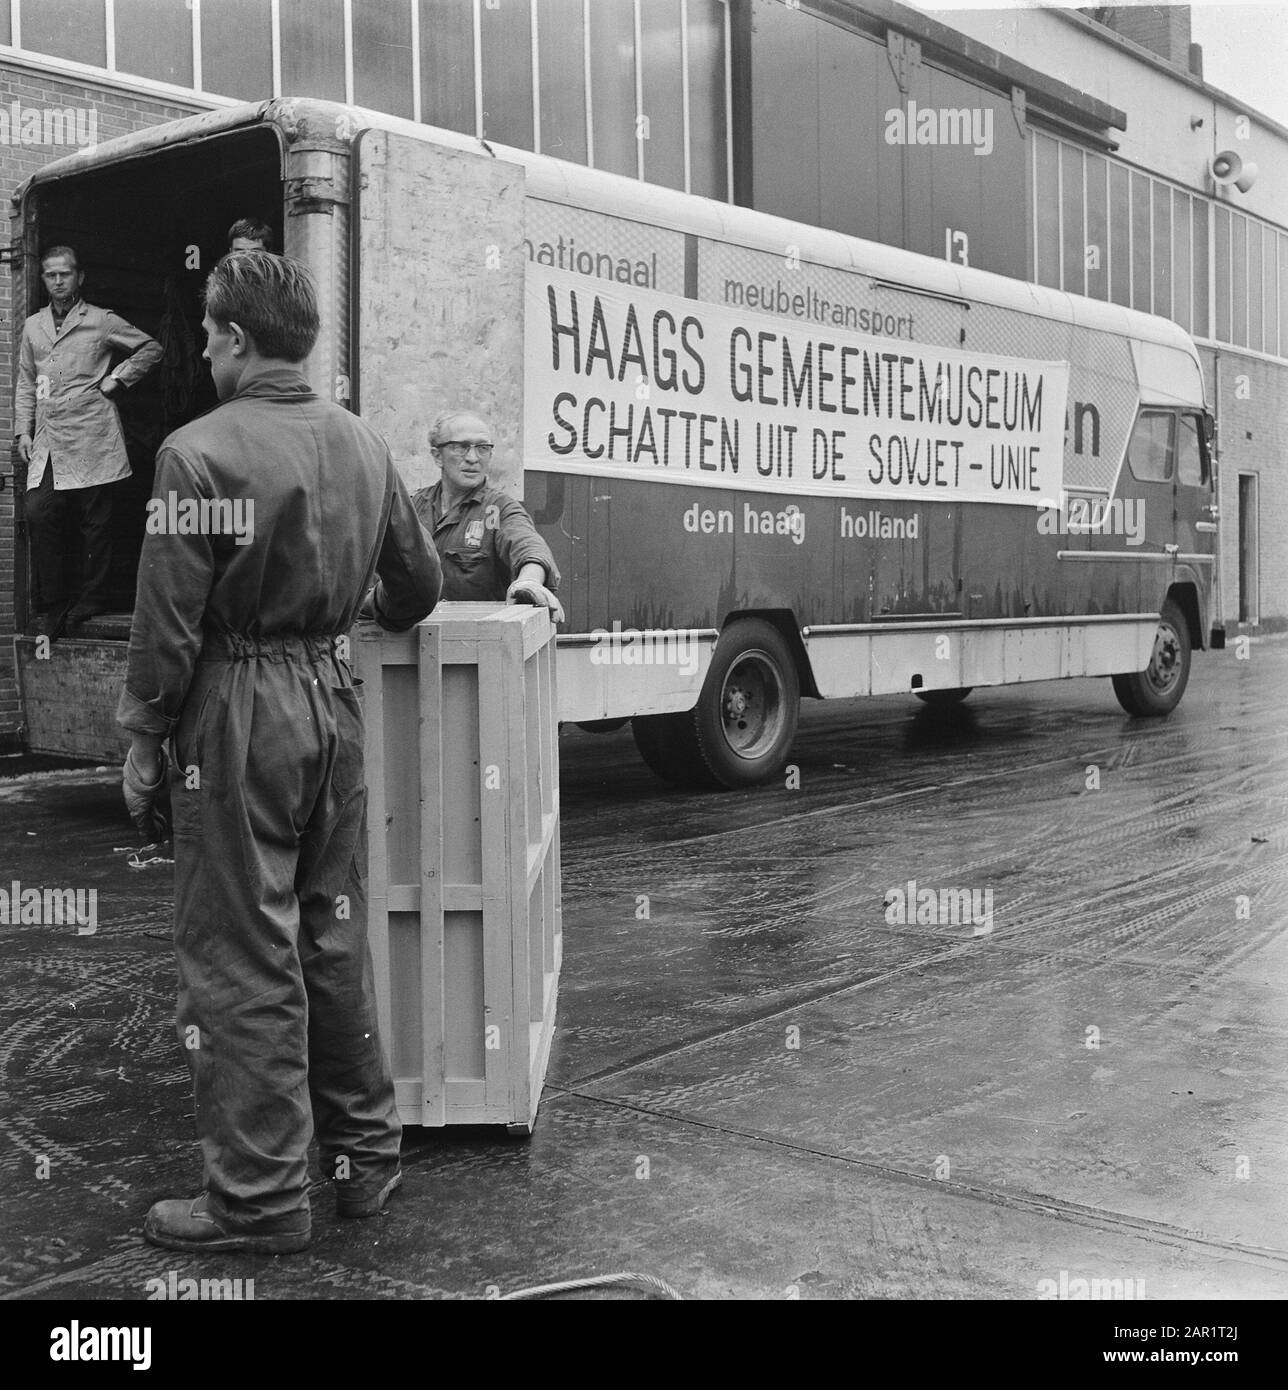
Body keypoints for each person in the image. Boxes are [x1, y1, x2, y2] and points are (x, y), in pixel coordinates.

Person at [117, 251, 441, 1254]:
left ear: (236, 339)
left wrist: (141, 741)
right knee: (330, 934)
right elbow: (418, 582)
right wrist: (346, 618)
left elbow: (166, 626)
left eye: (210, 334)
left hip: (238, 714)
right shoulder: (362, 443)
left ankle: (256, 1201)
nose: (204, 348)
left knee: (239, 956)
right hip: (331, 705)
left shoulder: (196, 453)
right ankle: (364, 1163)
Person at [15, 246, 162, 634]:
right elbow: (27, 381)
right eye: (51, 275)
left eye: (65, 274)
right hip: (50, 435)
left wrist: (119, 377)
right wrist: (22, 430)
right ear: (43, 279)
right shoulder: (33, 326)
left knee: (94, 521)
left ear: (80, 277)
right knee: (39, 510)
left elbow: (151, 348)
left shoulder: (101, 321)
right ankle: (54, 603)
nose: (58, 281)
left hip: (93, 432)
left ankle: (92, 599)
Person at [411, 409, 563, 620]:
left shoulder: (497, 510)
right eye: (461, 447)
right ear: (438, 456)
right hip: (409, 639)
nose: (473, 458)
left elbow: (528, 546)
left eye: (482, 448)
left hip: (477, 641)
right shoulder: (413, 507)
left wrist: (528, 581)